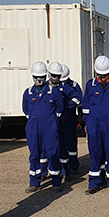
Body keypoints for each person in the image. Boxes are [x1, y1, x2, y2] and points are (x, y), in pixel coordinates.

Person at [82, 56, 109, 195]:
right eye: (100, 75)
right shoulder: (90, 85)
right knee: (95, 153)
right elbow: (86, 107)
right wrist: (86, 122)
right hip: (94, 124)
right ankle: (94, 182)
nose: (102, 78)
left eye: (105, 75)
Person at [23, 61, 64, 193]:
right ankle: (34, 181)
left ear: (46, 77)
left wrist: (50, 121)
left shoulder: (54, 92)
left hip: (49, 126)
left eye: (41, 77)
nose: (39, 80)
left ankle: (56, 181)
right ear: (32, 77)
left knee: (52, 153)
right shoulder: (28, 93)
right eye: (36, 77)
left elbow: (59, 109)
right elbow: (25, 110)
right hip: (33, 127)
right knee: (34, 154)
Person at [59, 64, 83, 174]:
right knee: (60, 143)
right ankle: (62, 167)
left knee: (71, 142)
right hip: (58, 119)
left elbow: (80, 101)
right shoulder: (52, 85)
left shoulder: (74, 86)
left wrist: (80, 115)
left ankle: (73, 166)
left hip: (70, 117)